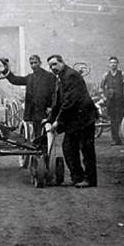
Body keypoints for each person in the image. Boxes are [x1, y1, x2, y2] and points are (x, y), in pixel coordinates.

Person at [46, 54, 98, 188]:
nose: (53, 68)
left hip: (84, 118)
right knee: (68, 147)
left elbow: (69, 101)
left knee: (86, 150)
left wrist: (58, 121)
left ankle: (90, 180)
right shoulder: (61, 78)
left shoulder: (71, 75)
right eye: (50, 66)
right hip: (74, 120)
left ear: (62, 62)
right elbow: (57, 101)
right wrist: (49, 119)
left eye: (55, 64)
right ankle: (77, 178)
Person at [4, 55, 56, 137]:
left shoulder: (49, 76)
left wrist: (52, 107)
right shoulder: (30, 78)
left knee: (48, 133)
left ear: (40, 63)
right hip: (34, 112)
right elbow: (14, 80)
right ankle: (38, 147)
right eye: (31, 63)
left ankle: (44, 148)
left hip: (45, 110)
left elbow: (55, 93)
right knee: (37, 133)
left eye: (35, 63)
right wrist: (5, 69)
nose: (33, 65)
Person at [99, 56, 124, 145]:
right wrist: (103, 97)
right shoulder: (106, 75)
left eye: (115, 62)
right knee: (113, 121)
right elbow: (101, 87)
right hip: (111, 101)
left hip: (121, 100)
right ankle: (115, 139)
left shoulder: (122, 74)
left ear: (117, 64)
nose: (113, 64)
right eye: (111, 63)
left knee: (123, 120)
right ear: (109, 64)